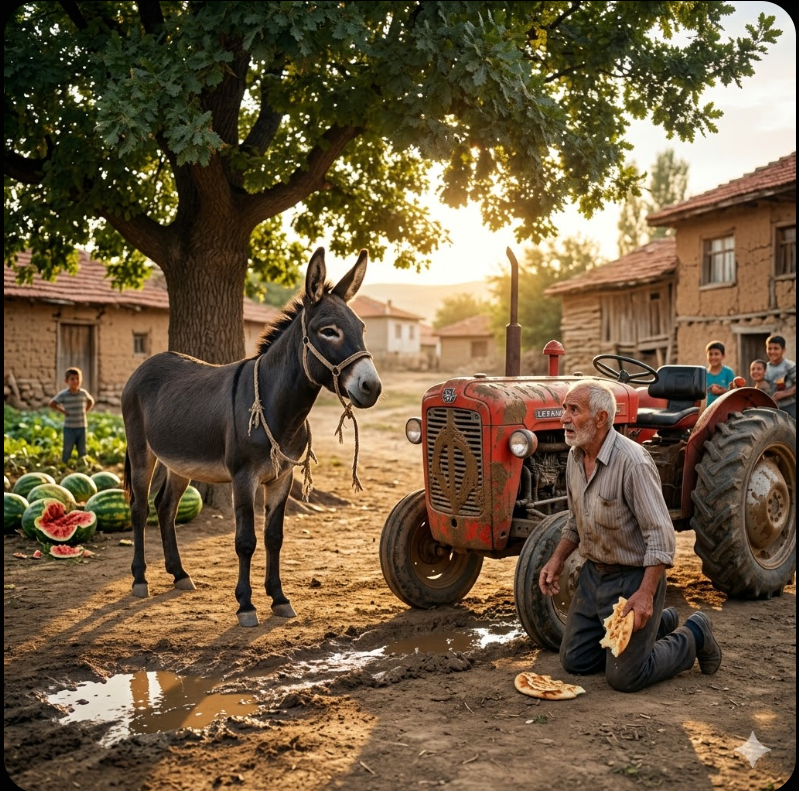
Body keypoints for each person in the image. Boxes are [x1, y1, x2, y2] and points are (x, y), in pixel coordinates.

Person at [539, 379, 721, 692]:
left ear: (600, 418)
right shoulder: (574, 457)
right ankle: (661, 623)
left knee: (625, 677)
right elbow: (575, 520)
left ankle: (695, 633)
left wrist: (646, 594)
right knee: (575, 660)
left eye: (574, 410)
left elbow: (661, 536)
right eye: (564, 408)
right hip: (593, 576)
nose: (564, 418)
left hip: (632, 579)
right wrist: (556, 560)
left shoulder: (633, 462)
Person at [49, 367, 95, 464]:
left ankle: (82, 465)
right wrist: (63, 411)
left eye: (77, 379)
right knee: (67, 449)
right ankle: (65, 465)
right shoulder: (63, 394)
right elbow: (52, 403)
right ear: (66, 381)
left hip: (82, 427)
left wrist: (85, 410)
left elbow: (91, 401)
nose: (75, 381)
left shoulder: (83, 393)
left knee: (82, 450)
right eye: (72, 379)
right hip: (69, 428)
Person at [763, 335, 796, 420]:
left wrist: (783, 394)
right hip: (773, 409)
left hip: (791, 406)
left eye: (776, 348)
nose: (772, 351)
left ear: (783, 350)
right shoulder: (765, 368)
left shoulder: (789, 366)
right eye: (769, 348)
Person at [703, 340, 735, 406]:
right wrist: (708, 389)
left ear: (723, 356)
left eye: (716, 354)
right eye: (710, 354)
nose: (713, 357)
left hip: (724, 409)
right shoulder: (703, 374)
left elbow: (734, 393)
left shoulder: (729, 373)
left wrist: (722, 391)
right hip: (706, 410)